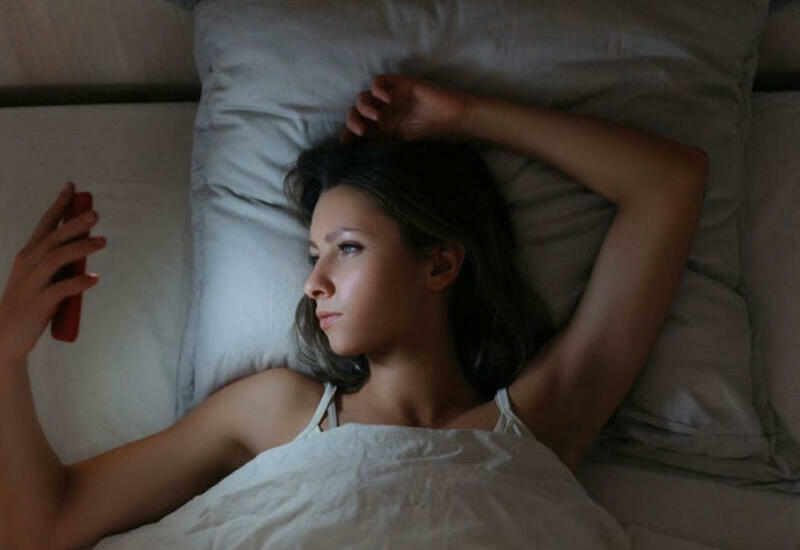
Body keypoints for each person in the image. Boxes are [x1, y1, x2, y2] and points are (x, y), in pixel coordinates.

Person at [0, 73, 708, 550]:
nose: (314, 284)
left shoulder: (540, 418)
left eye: (346, 249)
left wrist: (467, 115)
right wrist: (6, 354)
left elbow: (670, 182)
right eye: (314, 255)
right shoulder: (276, 411)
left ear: (440, 264)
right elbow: (46, 526)